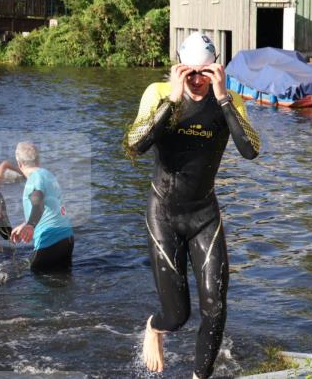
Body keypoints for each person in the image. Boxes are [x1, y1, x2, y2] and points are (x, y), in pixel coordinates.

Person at [126, 32, 260, 379]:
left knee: (215, 309)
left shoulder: (229, 100)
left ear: (217, 69)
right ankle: (154, 328)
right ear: (179, 68)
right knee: (177, 317)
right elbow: (133, 146)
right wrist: (172, 98)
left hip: (204, 214)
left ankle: (200, 376)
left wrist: (224, 98)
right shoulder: (158, 93)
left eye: (206, 72)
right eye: (191, 73)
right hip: (164, 214)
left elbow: (250, 150)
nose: (198, 81)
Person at [10, 142, 74, 272]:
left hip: (50, 242)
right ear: (38, 159)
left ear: (19, 163)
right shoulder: (47, 174)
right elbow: (49, 207)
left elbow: (38, 200)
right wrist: (25, 224)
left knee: (37, 286)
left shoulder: (34, 178)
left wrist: (30, 225)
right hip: (67, 239)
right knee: (63, 284)